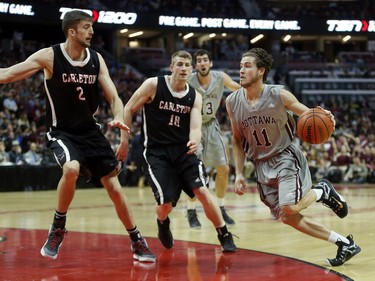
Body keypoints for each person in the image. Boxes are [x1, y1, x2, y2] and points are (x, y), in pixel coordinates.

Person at [0, 10, 155, 262]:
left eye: (91, 27)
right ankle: (58, 227)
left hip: (90, 131)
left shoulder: (96, 59)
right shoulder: (50, 56)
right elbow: (7, 74)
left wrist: (117, 116)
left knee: (114, 187)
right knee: (71, 168)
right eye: (86, 27)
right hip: (62, 131)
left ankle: (137, 240)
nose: (92, 31)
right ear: (72, 31)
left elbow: (115, 97)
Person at [225, 48, 361, 266]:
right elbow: (237, 139)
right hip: (261, 165)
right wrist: (239, 173)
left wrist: (326, 118)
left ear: (261, 71)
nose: (241, 70)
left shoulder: (279, 94)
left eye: (247, 66)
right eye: (241, 66)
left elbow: (310, 116)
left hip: (285, 157)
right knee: (288, 218)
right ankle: (344, 243)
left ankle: (321, 191)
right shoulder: (232, 102)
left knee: (289, 207)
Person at [123, 50, 236, 252]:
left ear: (191, 70)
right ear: (171, 67)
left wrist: (194, 141)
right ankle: (162, 223)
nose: (184, 68)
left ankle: (224, 234)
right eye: (180, 64)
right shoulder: (153, 85)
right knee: (165, 205)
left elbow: (195, 127)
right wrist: (124, 142)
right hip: (157, 153)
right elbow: (129, 108)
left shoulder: (194, 96)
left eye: (187, 65)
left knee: (201, 191)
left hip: (183, 152)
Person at [185, 49, 241, 228]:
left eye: (205, 60)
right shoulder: (189, 80)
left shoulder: (220, 77)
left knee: (224, 168)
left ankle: (222, 206)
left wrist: (253, 87)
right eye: (199, 60)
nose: (202, 63)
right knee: (195, 171)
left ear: (211, 63)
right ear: (195, 66)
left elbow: (235, 87)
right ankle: (191, 211)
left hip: (211, 125)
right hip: (192, 127)